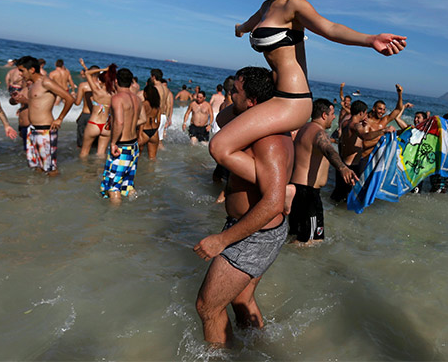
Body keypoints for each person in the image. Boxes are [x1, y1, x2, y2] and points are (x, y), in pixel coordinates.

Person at [210, 0, 406, 194]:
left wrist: (370, 40)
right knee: (223, 117)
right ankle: (271, 169)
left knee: (218, 147)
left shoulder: (295, 6)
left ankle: (281, 189)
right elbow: (249, 24)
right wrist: (239, 30)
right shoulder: (266, 7)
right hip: (277, 97)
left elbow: (331, 29)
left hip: (293, 100)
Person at [194, 66, 292, 346]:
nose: (228, 94)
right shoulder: (252, 125)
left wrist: (221, 240)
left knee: (207, 306)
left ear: (252, 102)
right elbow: (222, 117)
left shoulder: (269, 140)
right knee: (241, 298)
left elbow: (273, 204)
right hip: (249, 228)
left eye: (234, 91)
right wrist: (243, 106)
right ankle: (257, 347)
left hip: (256, 234)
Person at [289, 98, 358, 243]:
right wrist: (343, 168)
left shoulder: (304, 128)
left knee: (296, 236)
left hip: (296, 190)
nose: (334, 117)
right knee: (311, 241)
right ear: (324, 115)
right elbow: (328, 151)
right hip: (308, 194)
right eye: (332, 114)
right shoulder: (319, 133)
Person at [16, 56, 74, 176]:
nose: (20, 74)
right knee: (37, 166)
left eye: (22, 71)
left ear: (31, 70)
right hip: (32, 129)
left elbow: (69, 98)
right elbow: (37, 103)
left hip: (45, 130)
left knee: (50, 168)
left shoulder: (45, 82)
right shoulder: (32, 85)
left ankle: (54, 192)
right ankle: (39, 192)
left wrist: (60, 119)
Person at [330, 100, 395, 202]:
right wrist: (383, 131)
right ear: (361, 113)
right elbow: (365, 136)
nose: (366, 115)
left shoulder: (345, 122)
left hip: (342, 163)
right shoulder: (356, 126)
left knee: (337, 194)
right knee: (349, 197)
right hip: (352, 167)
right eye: (365, 113)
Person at [100, 68, 143, 204]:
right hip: (133, 146)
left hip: (122, 146)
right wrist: (130, 122)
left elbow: (119, 122)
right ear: (131, 82)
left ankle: (113, 221)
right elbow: (143, 119)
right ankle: (135, 210)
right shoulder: (137, 99)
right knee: (127, 185)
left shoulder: (117, 98)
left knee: (113, 187)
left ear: (116, 81)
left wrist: (113, 143)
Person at [359, 84, 405, 172]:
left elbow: (398, 109)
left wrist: (400, 94)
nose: (382, 112)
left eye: (384, 109)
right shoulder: (366, 122)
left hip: (378, 159)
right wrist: (383, 138)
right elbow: (364, 145)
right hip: (366, 159)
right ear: (373, 108)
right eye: (380, 109)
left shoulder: (384, 120)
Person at [78, 60, 117, 158]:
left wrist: (104, 69)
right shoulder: (114, 94)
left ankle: (84, 173)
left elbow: (87, 73)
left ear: (100, 81)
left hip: (94, 123)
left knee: (84, 152)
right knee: (101, 155)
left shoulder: (96, 91)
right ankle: (100, 172)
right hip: (106, 126)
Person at [138, 81, 162, 160]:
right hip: (154, 131)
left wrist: (140, 134)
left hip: (144, 130)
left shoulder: (143, 104)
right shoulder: (157, 106)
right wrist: (156, 129)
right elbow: (158, 121)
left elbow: (142, 120)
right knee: (152, 159)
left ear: (145, 94)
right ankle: (151, 172)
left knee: (137, 158)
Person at [74, 63, 95, 149]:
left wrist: (74, 96)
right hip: (96, 117)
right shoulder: (102, 86)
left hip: (85, 115)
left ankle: (81, 161)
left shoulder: (83, 85)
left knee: (81, 144)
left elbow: (77, 102)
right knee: (93, 143)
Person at [150, 69, 170, 147]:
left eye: (151, 76)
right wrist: (167, 118)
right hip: (163, 116)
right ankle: (163, 155)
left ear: (154, 77)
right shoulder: (165, 89)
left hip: (156, 117)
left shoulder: (154, 88)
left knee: (152, 141)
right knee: (159, 141)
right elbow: (168, 105)